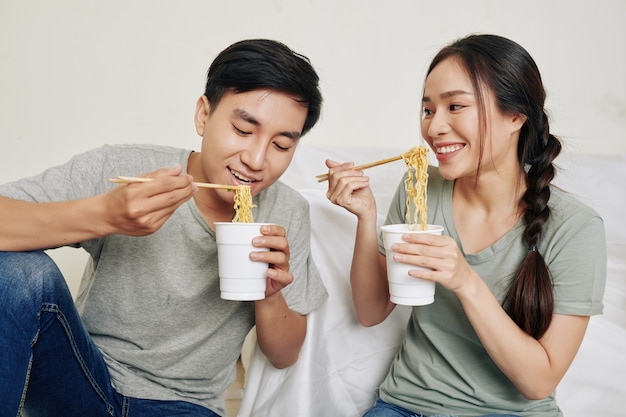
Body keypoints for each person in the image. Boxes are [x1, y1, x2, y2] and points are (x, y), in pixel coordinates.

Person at [0, 39, 327, 417]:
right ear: (204, 115)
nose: (256, 160)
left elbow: (285, 354)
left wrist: (269, 294)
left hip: (184, 405)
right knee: (19, 271)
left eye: (281, 146)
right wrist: (105, 214)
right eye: (242, 129)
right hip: (80, 376)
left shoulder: (287, 210)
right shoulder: (128, 169)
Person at [324, 34, 606, 416]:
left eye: (455, 106)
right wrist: (366, 217)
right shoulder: (419, 189)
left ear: (515, 116)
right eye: (427, 110)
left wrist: (465, 281)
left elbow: (539, 381)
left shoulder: (577, 228)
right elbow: (371, 311)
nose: (434, 127)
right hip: (406, 405)